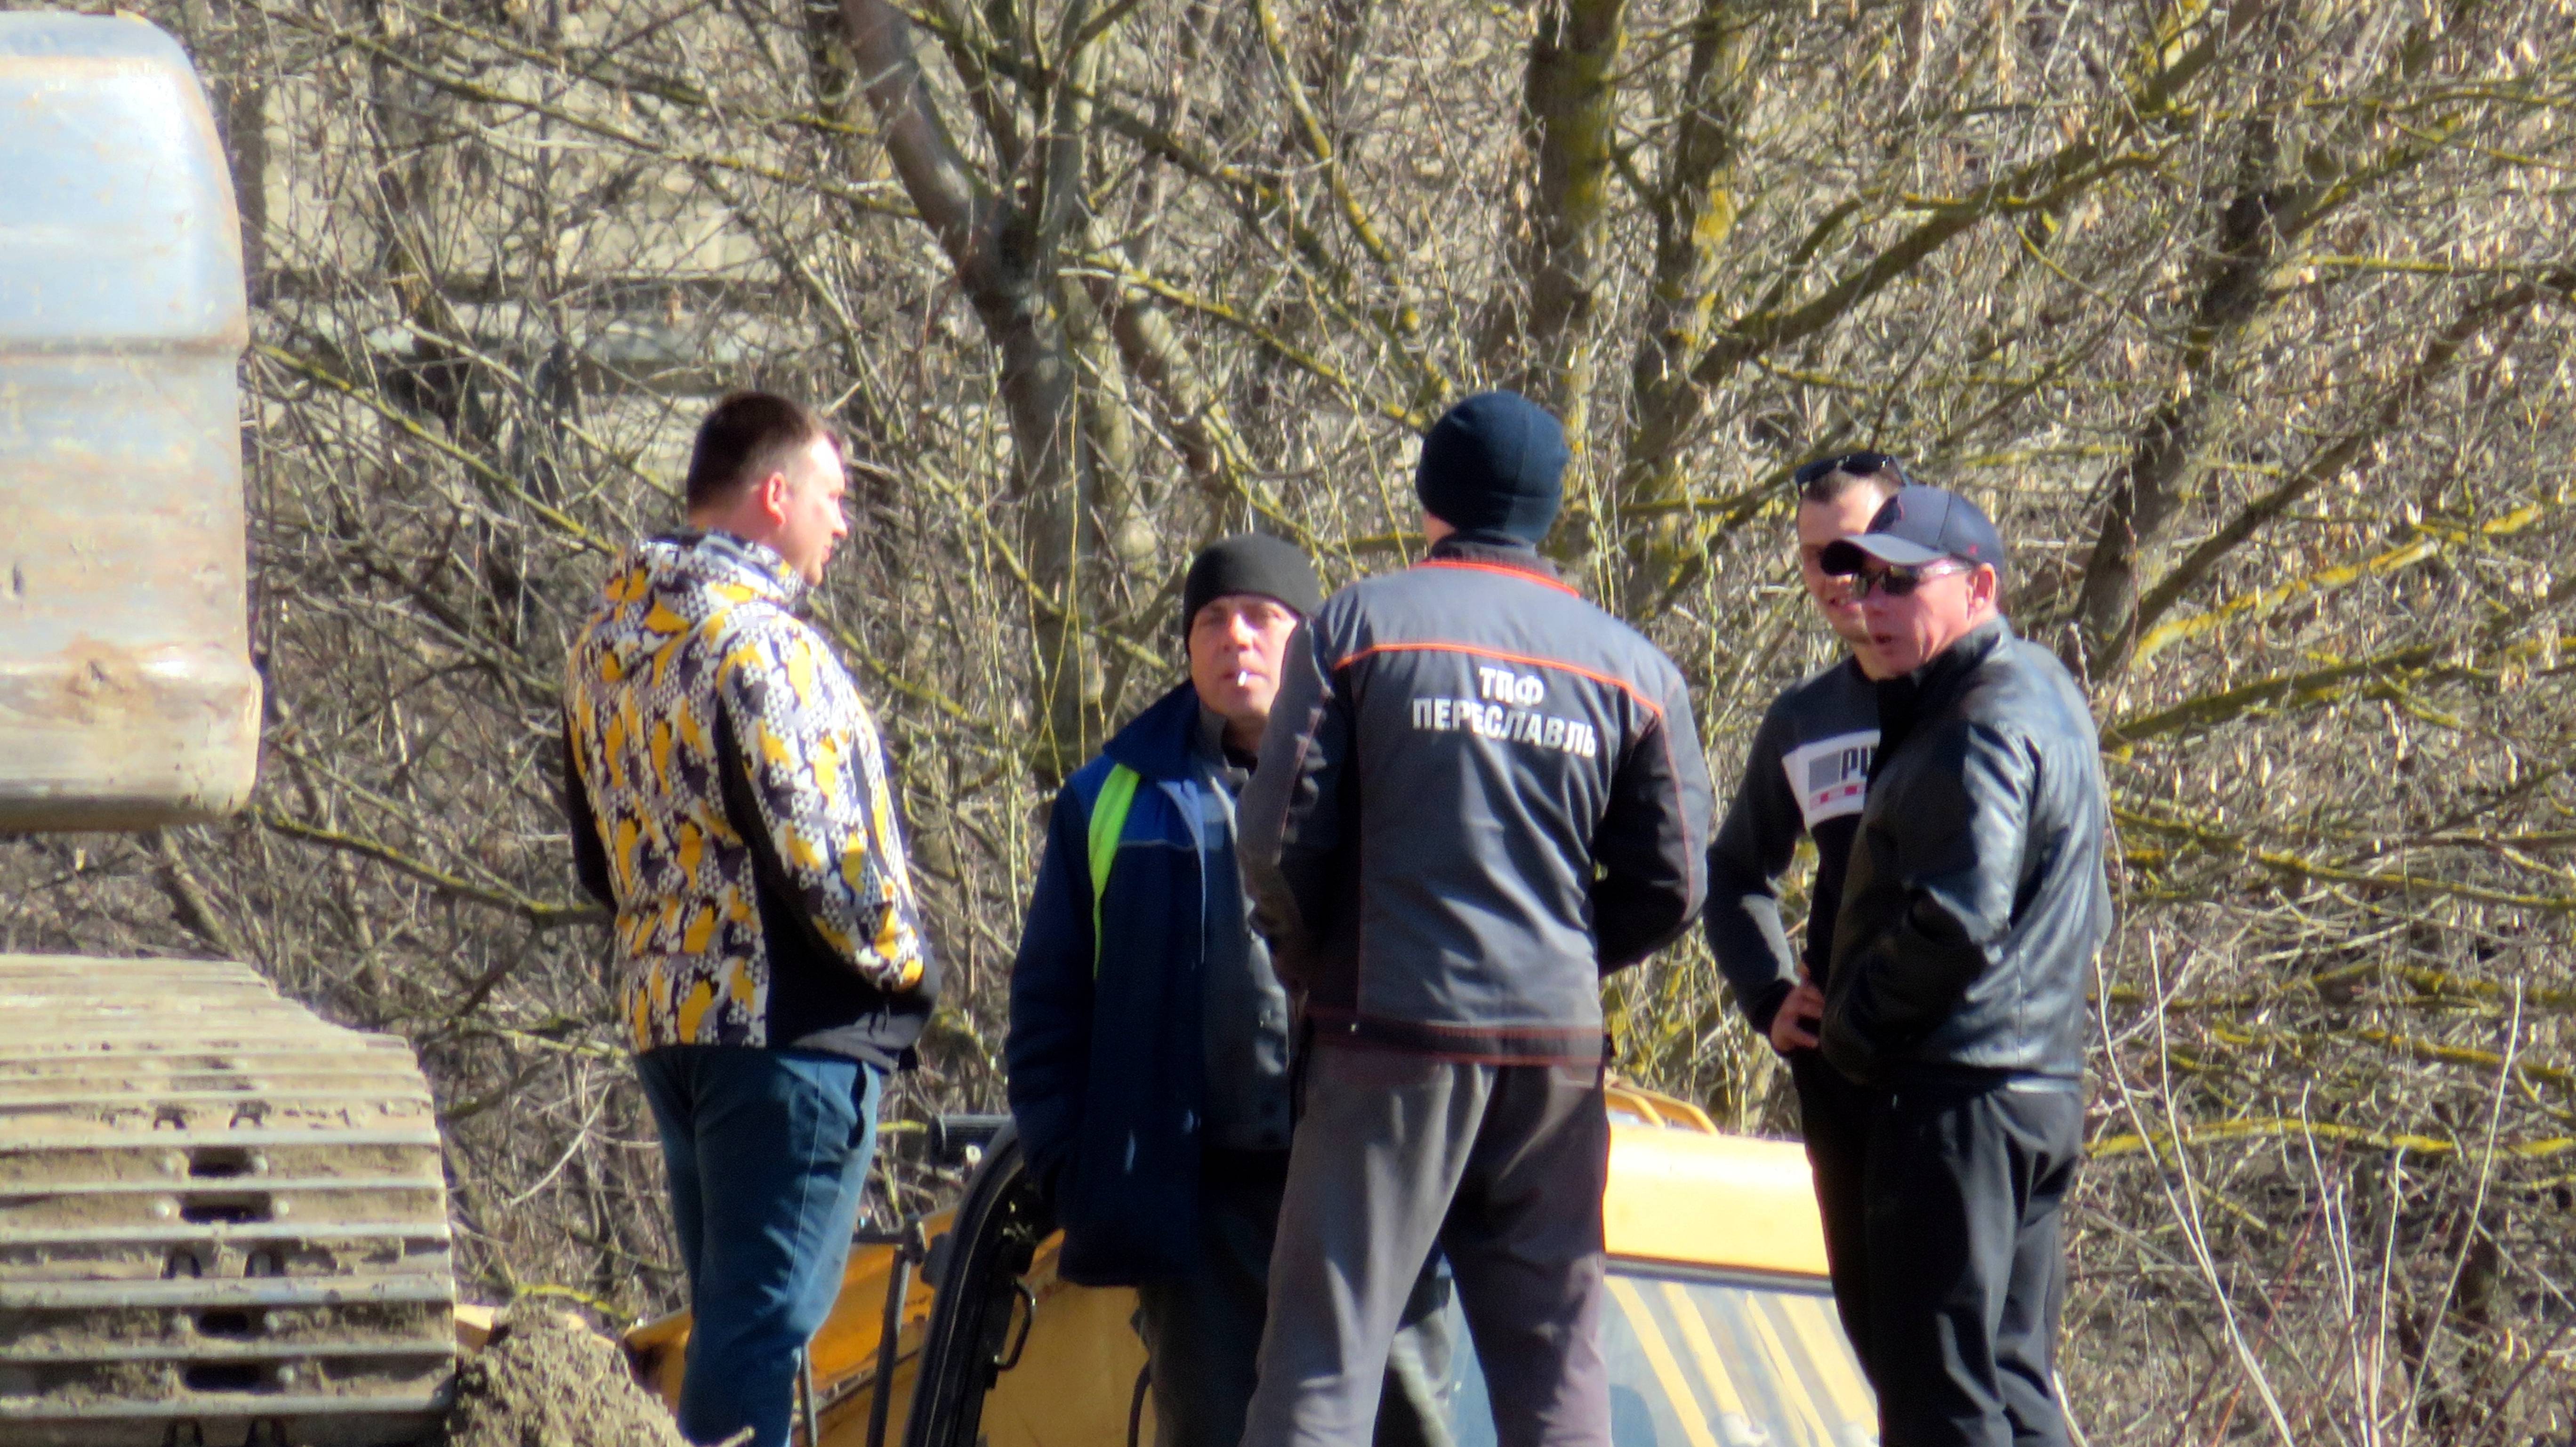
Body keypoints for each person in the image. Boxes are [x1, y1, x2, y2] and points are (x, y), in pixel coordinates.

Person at [1238, 391, 1715, 1447]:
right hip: (1555, 1058)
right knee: (1558, 1369)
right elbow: (1679, 879)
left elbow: (1272, 843)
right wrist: (1569, 950)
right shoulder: (1634, 670)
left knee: (1323, 1359)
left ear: (1431, 499)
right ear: (1549, 509)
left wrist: (1319, 966)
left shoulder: (1355, 629)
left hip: (1385, 1037)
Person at [1005, 535, 1451, 1447]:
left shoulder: (1393, 780)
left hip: (1371, 1190)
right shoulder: (1109, 798)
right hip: (1196, 1215)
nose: (1235, 637)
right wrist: (1080, 1173)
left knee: (1406, 1430)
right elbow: (1049, 1011)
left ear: (1310, 639)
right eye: (1212, 619)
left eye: (1260, 617)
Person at [561, 391, 934, 1447]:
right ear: (775, 496)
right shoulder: (761, 645)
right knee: (762, 1325)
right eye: (834, 497)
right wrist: (908, 973)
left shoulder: (607, 645)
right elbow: (825, 857)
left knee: (729, 1312)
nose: (843, 523)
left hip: (669, 1018)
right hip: (790, 1033)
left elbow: (598, 857)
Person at [1814, 484, 2109, 1447]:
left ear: (1980, 586)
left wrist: (1854, 1030)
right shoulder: (2044, 694)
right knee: (2014, 1388)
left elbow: (1958, 915)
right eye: (1865, 579)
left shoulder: (1978, 717)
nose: (1872, 603)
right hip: (2035, 1089)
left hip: (1958, 1100)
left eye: (1902, 582)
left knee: (1941, 1395)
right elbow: (2088, 911)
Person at [1702, 451, 1904, 1372]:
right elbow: (1733, 871)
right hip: (1841, 1079)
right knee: (1878, 1341)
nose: (1833, 576)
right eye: (1816, 556)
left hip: (1962, 1079)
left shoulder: (1990, 699)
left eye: (1852, 549)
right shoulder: (1804, 719)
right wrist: (1768, 994)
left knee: (1972, 1355)